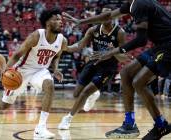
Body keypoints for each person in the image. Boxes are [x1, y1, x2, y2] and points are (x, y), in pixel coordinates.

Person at [63, 0, 171, 139]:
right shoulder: (131, 4)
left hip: (168, 46)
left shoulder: (140, 4)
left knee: (139, 82)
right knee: (125, 73)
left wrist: (110, 52)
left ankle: (161, 125)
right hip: (159, 46)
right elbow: (108, 16)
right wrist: (80, 21)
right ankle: (129, 123)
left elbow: (141, 40)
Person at [0, 8, 67, 139]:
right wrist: (5, 70)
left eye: (60, 19)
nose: (60, 21)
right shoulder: (37, 36)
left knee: (49, 86)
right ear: (47, 23)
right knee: (5, 105)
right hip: (21, 71)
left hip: (40, 70)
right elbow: (17, 54)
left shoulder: (62, 40)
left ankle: (40, 128)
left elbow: (56, 56)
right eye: (56, 19)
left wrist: (55, 69)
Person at [58, 5, 128, 130]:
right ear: (99, 17)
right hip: (93, 63)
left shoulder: (120, 33)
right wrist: (67, 48)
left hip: (108, 68)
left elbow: (124, 58)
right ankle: (94, 93)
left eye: (109, 15)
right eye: (103, 15)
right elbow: (80, 45)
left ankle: (68, 118)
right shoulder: (93, 30)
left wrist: (113, 52)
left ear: (113, 17)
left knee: (85, 92)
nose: (106, 18)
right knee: (76, 93)